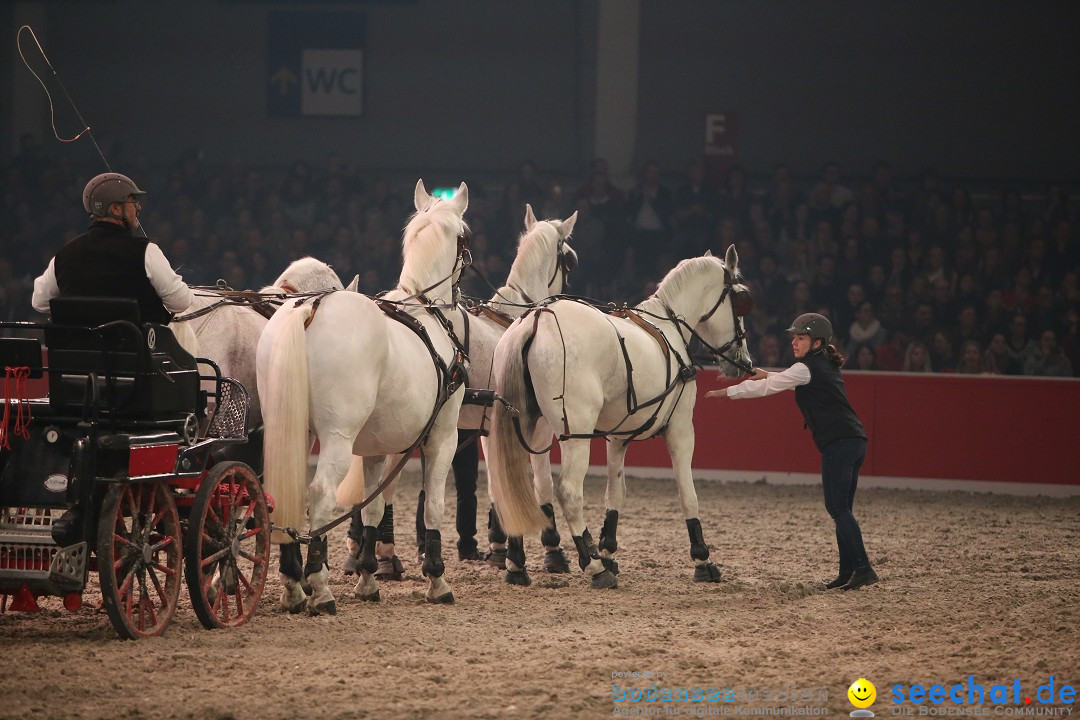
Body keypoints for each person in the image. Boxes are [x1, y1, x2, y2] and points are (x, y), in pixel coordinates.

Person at [705, 313, 877, 591]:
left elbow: (769, 387)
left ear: (817, 341)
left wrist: (726, 394)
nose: (794, 342)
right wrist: (761, 373)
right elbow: (782, 377)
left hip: (840, 442)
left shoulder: (805, 368)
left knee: (837, 508)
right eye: (794, 337)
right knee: (842, 509)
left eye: (801, 337)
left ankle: (863, 568)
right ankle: (848, 572)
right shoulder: (821, 364)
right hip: (854, 441)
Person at [32, 173, 193, 321]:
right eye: (133, 201)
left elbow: (39, 302)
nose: (138, 207)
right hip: (134, 350)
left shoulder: (63, 255)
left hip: (76, 350)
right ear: (116, 209)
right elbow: (181, 301)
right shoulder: (145, 251)